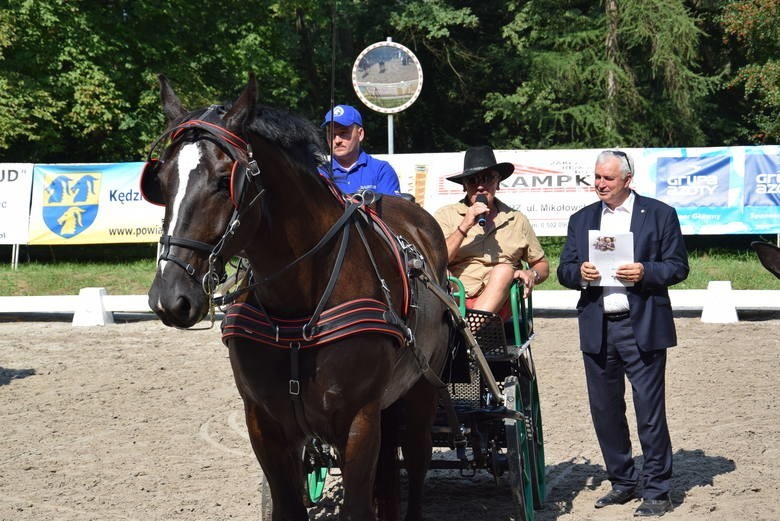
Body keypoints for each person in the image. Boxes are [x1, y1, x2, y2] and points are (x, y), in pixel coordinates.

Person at [557, 150, 689, 517]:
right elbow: (563, 270)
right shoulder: (581, 219)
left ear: (627, 180)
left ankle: (658, 490)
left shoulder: (660, 214)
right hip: (598, 327)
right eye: (597, 177)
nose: (600, 184)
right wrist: (580, 273)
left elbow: (678, 267)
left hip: (642, 325)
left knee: (649, 411)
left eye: (608, 178)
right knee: (605, 410)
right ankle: (623, 481)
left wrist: (645, 271)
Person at [434, 145, 549, 316]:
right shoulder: (445, 216)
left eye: (487, 178)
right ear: (464, 186)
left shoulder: (516, 219)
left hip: (501, 302)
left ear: (498, 182)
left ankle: (466, 336)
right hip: (456, 300)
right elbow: (436, 260)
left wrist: (531, 273)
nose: (480, 186)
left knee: (504, 270)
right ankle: (468, 333)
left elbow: (542, 265)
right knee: (442, 272)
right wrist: (464, 226)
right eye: (473, 180)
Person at [319, 104, 401, 195]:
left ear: (360, 134)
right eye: (331, 134)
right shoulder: (319, 174)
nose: (337, 140)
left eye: (343, 133)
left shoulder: (381, 171)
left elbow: (391, 208)